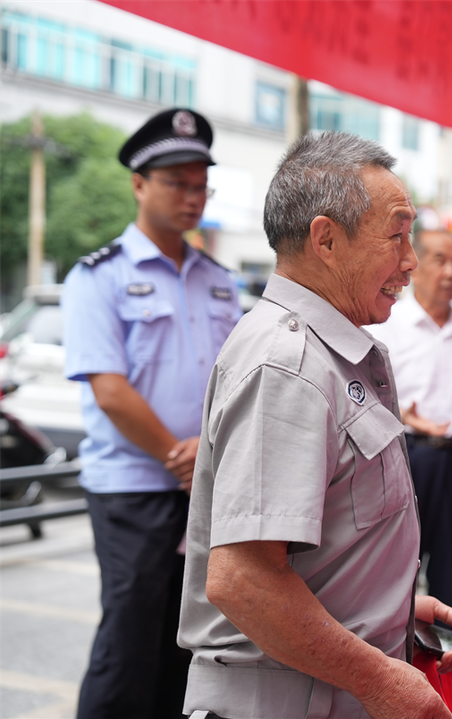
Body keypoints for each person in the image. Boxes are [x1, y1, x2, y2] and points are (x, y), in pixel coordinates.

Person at [178, 132, 452, 719]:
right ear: (326, 239)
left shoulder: (332, 353)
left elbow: (319, 542)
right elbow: (244, 581)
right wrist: (381, 678)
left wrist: (390, 609)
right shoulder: (289, 365)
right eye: (397, 235)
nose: (410, 261)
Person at [62, 108, 241, 719]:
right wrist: (179, 455)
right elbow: (109, 389)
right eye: (177, 183)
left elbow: (236, 382)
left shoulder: (220, 280)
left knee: (191, 648)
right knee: (129, 646)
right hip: (135, 491)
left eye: (201, 185)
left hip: (204, 491)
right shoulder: (98, 278)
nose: (192, 197)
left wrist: (207, 458)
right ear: (139, 184)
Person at [367, 229, 452, 624]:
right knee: (392, 576)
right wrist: (405, 415)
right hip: (406, 458)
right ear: (415, 263)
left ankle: (445, 672)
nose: (451, 271)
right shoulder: (387, 325)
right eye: (441, 259)